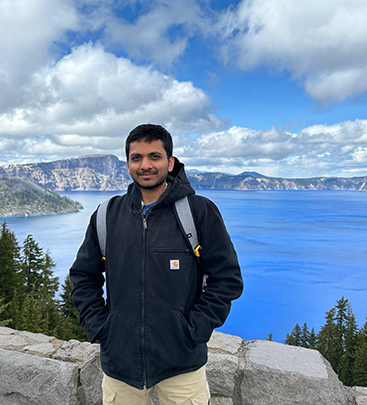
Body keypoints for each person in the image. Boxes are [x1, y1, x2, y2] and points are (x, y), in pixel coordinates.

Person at [70, 124, 243, 405]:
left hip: (182, 366)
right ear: (127, 164)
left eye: (155, 156)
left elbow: (227, 279)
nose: (145, 165)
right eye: (136, 158)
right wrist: (101, 326)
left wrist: (194, 329)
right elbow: (83, 275)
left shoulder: (198, 212)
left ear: (170, 162)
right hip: (120, 365)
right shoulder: (106, 215)